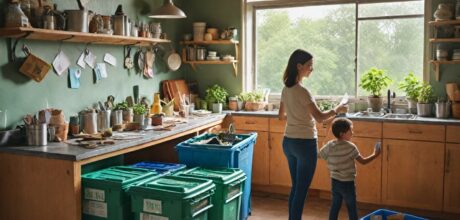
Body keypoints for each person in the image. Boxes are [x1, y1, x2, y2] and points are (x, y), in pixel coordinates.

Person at [278, 49, 348, 220]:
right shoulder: (302, 91)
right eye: (309, 65)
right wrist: (337, 109)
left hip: (288, 143)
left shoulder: (286, 89)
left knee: (296, 188)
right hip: (304, 144)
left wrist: (296, 116)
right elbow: (320, 118)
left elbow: (281, 117)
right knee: (301, 191)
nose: (312, 69)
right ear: (299, 66)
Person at [318, 118, 381, 220]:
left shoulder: (330, 145)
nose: (353, 132)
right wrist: (375, 154)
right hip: (348, 183)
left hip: (335, 181)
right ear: (342, 134)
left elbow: (320, 155)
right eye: (350, 130)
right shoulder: (351, 147)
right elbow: (363, 161)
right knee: (351, 208)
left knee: (335, 206)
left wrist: (324, 143)